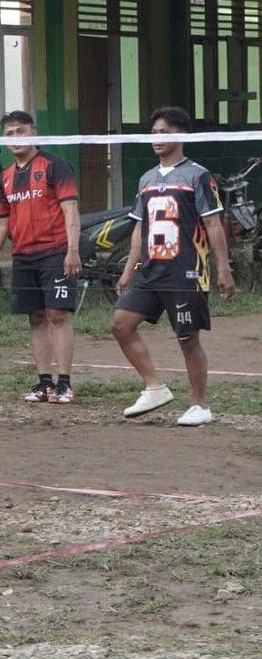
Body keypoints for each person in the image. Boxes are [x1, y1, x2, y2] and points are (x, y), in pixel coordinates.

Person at [110, 106, 234, 426]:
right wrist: (128, 270)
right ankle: (155, 387)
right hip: (150, 270)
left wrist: (223, 269)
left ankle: (200, 406)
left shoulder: (198, 175)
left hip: (185, 270)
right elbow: (140, 229)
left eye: (164, 132)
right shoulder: (147, 179)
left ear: (181, 135)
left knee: (187, 338)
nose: (157, 138)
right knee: (121, 324)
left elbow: (214, 224)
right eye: (154, 132)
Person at [0, 111, 82, 404]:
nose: (15, 138)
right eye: (9, 134)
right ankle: (44, 383)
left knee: (57, 314)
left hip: (55, 252)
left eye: (21, 131)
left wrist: (72, 250)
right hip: (24, 256)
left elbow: (70, 209)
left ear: (34, 131)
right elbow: (2, 222)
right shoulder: (6, 176)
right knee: (35, 318)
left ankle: (65, 384)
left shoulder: (55, 166)